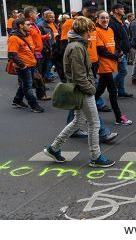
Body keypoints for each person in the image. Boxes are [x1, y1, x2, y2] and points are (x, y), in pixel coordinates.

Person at [43, 17, 115, 167]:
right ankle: (95, 157)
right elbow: (79, 75)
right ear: (84, 31)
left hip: (80, 89)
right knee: (94, 124)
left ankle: (54, 148)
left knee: (78, 121)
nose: (92, 34)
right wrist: (91, 89)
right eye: (90, 30)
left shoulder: (77, 44)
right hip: (82, 90)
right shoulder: (76, 47)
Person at [95, 10, 133, 126]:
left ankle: (86, 112)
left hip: (110, 64)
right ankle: (118, 117)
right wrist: (116, 56)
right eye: (102, 18)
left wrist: (118, 53)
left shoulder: (110, 30)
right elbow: (101, 51)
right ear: (97, 19)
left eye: (106, 18)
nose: (105, 20)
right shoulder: (96, 31)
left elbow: (114, 44)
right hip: (103, 64)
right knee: (112, 91)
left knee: (98, 91)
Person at [8, 18, 44, 113]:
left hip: (31, 65)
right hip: (24, 67)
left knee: (24, 84)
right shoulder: (14, 38)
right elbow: (12, 54)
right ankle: (34, 105)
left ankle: (17, 100)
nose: (30, 26)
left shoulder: (28, 36)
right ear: (21, 26)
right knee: (28, 86)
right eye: (28, 24)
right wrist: (22, 65)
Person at [24, 6, 51, 101]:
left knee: (38, 75)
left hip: (38, 53)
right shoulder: (27, 26)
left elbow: (37, 37)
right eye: (36, 13)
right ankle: (40, 95)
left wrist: (44, 37)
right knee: (36, 76)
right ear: (31, 15)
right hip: (34, 54)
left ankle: (40, 94)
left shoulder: (34, 25)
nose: (37, 15)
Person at [109, 4, 133, 98]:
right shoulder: (112, 22)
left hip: (124, 50)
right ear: (115, 10)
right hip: (119, 51)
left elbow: (125, 35)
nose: (123, 10)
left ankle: (121, 91)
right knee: (123, 71)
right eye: (121, 9)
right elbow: (113, 38)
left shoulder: (121, 21)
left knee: (121, 71)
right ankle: (111, 86)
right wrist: (119, 51)